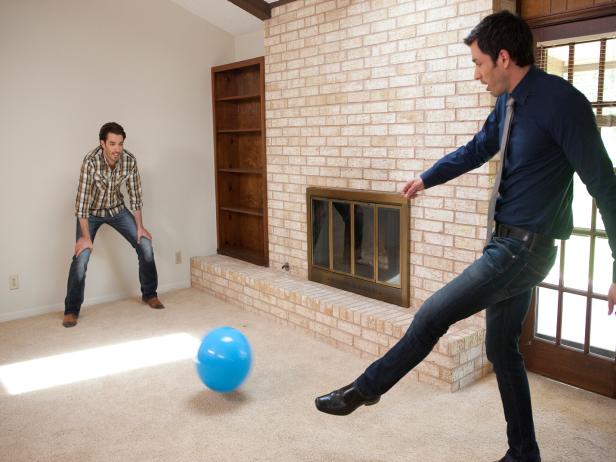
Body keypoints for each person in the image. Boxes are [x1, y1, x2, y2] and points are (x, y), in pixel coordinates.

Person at [314, 11, 616, 462]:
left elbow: (604, 182)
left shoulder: (562, 102)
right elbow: (479, 148)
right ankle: (524, 453)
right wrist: (426, 177)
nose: (476, 75)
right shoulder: (508, 102)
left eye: (479, 63)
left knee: (432, 315)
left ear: (504, 57)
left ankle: (367, 388)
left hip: (525, 249)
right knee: (501, 347)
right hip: (504, 242)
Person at [62, 122, 164, 328]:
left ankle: (150, 294)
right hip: (90, 214)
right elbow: (81, 204)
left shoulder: (129, 161)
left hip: (117, 209)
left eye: (120, 144)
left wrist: (140, 227)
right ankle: (71, 310)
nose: (117, 149)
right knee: (81, 258)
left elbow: (135, 197)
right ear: (102, 144)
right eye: (112, 144)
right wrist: (85, 237)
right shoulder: (90, 162)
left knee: (144, 244)